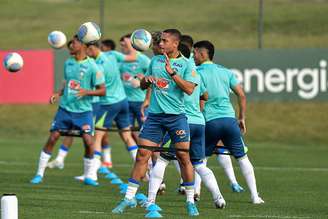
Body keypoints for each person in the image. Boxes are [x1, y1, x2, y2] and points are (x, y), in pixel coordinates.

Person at [112, 29, 199, 216]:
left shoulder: (187, 64)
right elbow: (145, 85)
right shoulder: (155, 60)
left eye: (165, 41)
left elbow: (190, 89)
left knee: (184, 157)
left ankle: (191, 201)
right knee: (142, 155)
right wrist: (146, 81)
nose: (160, 44)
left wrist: (173, 74)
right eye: (160, 41)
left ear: (175, 44)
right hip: (155, 117)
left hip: (177, 118)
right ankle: (128, 198)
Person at [143, 43, 226, 209]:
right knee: (199, 164)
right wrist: (198, 111)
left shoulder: (180, 73)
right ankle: (218, 198)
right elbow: (205, 96)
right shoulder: (195, 74)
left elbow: (174, 91)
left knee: (162, 160)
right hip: (198, 123)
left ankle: (150, 200)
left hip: (181, 122)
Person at [193, 40, 264, 204]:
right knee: (243, 158)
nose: (193, 56)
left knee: (200, 160)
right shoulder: (225, 72)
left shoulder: (196, 73)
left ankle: (196, 193)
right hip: (230, 121)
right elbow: (242, 95)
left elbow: (201, 98)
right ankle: (255, 196)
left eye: (195, 53)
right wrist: (242, 118)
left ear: (203, 54)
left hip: (210, 121)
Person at [30, 35, 106, 186]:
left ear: (84, 46)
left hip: (84, 112)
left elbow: (103, 91)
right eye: (70, 43)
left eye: (74, 42)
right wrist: (58, 94)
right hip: (65, 109)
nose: (71, 45)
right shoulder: (68, 63)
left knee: (89, 142)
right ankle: (39, 174)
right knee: (53, 138)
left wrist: (87, 92)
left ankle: (88, 176)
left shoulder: (93, 66)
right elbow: (67, 84)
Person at [87, 41, 139, 175]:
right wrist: (130, 44)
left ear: (92, 48)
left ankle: (92, 174)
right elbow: (133, 57)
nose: (86, 53)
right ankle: (143, 169)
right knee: (127, 136)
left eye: (87, 50)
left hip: (108, 104)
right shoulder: (112, 54)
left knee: (97, 137)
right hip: (123, 102)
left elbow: (97, 88)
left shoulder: (95, 65)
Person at [119, 34, 151, 142]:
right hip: (126, 102)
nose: (123, 46)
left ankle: (151, 157)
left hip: (141, 101)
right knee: (128, 132)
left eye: (125, 43)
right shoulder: (121, 60)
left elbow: (152, 77)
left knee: (147, 131)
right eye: (121, 44)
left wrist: (141, 82)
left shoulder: (143, 59)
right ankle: (139, 155)